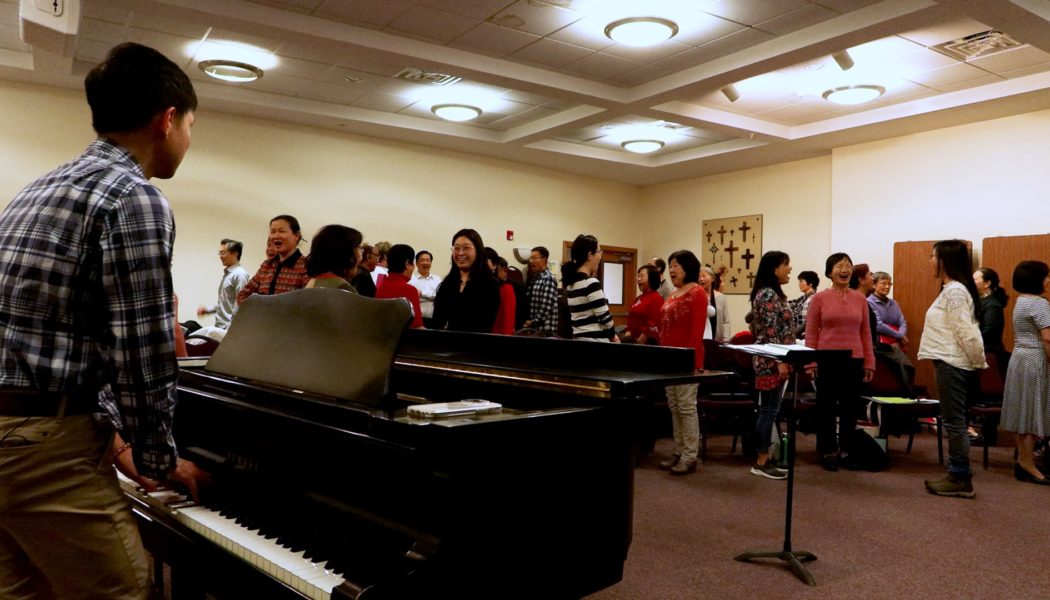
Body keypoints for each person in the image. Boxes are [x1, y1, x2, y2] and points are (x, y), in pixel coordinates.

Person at [0, 42, 208, 598]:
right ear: (168, 119)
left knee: (26, 589)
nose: (188, 137)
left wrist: (120, 446)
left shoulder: (39, 188)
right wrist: (159, 456)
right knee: (124, 589)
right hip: (41, 444)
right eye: (191, 123)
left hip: (13, 435)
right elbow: (140, 353)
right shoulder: (133, 197)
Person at [917, 240, 987, 498]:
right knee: (955, 421)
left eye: (933, 256)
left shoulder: (955, 291)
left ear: (945, 260)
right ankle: (957, 474)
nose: (931, 261)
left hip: (953, 362)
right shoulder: (952, 289)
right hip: (951, 360)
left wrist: (978, 362)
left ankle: (959, 476)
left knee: (954, 422)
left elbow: (967, 332)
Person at [804, 253, 875, 472]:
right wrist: (810, 362)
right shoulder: (819, 298)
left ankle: (846, 451)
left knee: (849, 408)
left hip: (853, 357)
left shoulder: (860, 299)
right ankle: (827, 450)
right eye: (839, 266)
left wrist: (869, 362)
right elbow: (811, 332)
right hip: (826, 357)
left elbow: (866, 332)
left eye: (848, 266)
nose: (844, 270)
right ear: (829, 272)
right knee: (825, 407)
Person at [657, 250, 708, 475]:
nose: (672, 269)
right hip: (668, 360)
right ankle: (678, 451)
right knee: (674, 406)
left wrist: (690, 361)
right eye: (670, 265)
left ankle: (689, 456)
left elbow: (696, 333)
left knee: (687, 408)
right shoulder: (674, 293)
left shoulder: (697, 292)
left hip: (687, 361)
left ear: (688, 266)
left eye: (676, 264)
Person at [1000, 260, 1050, 485]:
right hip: (1035, 358)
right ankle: (1028, 464)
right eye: (1046, 276)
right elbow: (1048, 338)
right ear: (1037, 279)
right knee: (1031, 412)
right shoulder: (1039, 304)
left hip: (1019, 357)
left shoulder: (1021, 301)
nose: (1048, 280)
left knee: (1022, 410)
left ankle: (1024, 460)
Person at [748, 251, 794, 480]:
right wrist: (780, 361)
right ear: (774, 268)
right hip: (771, 361)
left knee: (770, 411)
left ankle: (767, 457)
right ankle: (761, 461)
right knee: (768, 411)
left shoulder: (772, 293)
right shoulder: (767, 294)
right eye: (786, 265)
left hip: (775, 359)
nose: (790, 269)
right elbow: (769, 332)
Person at [432, 229, 501, 332]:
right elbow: (437, 322)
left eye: (466, 248)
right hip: (445, 345)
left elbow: (485, 324)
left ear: (478, 250)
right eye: (456, 248)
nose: (460, 253)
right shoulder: (447, 284)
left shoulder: (490, 285)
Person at [237, 214, 309, 303]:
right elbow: (242, 295)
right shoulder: (267, 265)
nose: (276, 236)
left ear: (296, 235)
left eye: (282, 231)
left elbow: (309, 302)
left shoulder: (306, 266)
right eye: (273, 231)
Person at [563, 235, 618, 342]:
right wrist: (613, 337)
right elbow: (605, 318)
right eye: (599, 252)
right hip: (596, 342)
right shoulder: (591, 283)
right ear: (589, 255)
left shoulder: (570, 285)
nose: (600, 256)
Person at [196, 238, 249, 329]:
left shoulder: (239, 275)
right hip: (221, 327)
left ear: (235, 253)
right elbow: (227, 304)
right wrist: (207, 310)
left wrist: (231, 330)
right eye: (219, 253)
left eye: (223, 253)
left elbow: (241, 305)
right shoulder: (228, 275)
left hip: (228, 330)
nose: (220, 256)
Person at [377, 244, 424, 329]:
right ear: (406, 264)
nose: (414, 267)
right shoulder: (410, 290)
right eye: (412, 263)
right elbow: (417, 327)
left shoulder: (381, 287)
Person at [304, 224, 362, 292]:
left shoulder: (313, 282)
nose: (361, 256)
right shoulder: (344, 289)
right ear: (346, 254)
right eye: (359, 247)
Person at [973, 267, 1008, 357]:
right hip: (979, 351)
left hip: (989, 353)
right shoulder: (978, 301)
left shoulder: (993, 305)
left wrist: (969, 338)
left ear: (987, 283)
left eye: (974, 279)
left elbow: (989, 332)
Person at [868, 271, 908, 349]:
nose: (887, 286)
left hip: (897, 342)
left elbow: (902, 323)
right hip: (878, 345)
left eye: (889, 284)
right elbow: (878, 325)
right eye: (883, 283)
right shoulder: (869, 302)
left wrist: (899, 337)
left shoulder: (894, 303)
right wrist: (900, 336)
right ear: (874, 285)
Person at [524, 246, 559, 335]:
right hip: (535, 330)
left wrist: (533, 322)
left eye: (535, 258)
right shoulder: (535, 278)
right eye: (530, 258)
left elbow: (546, 306)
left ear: (544, 259)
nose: (531, 261)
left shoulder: (548, 278)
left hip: (545, 331)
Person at [625, 264, 663, 344]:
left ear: (652, 278)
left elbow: (653, 323)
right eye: (638, 276)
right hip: (633, 340)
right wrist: (628, 333)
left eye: (642, 276)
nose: (638, 279)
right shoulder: (638, 298)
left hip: (646, 342)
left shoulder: (656, 298)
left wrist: (640, 340)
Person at [484, 247, 517, 335]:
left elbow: (508, 320)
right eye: (504, 270)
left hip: (499, 336)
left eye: (506, 271)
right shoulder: (485, 285)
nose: (505, 274)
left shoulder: (507, 288)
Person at [409, 249, 442, 328]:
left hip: (434, 320)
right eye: (422, 260)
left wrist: (421, 294)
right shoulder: (411, 279)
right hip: (416, 320)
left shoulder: (437, 279)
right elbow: (412, 300)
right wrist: (431, 297)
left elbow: (440, 297)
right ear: (416, 263)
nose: (425, 263)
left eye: (428, 260)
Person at [700, 265, 729, 341]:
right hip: (701, 338)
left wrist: (726, 338)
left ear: (712, 278)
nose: (701, 279)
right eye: (699, 277)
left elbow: (726, 321)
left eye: (704, 276)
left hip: (718, 339)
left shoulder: (721, 297)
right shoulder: (697, 297)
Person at [789, 270, 819, 339]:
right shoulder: (801, 299)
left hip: (802, 335)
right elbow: (789, 303)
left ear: (810, 284)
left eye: (801, 281)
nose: (799, 284)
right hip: (794, 332)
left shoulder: (814, 298)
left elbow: (807, 321)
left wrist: (794, 332)